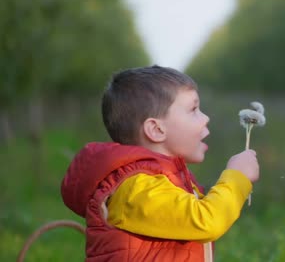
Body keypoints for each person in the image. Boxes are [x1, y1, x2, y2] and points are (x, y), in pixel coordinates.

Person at [61, 65, 259, 261]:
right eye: (193, 109)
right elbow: (206, 220)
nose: (206, 118)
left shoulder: (170, 179)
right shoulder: (136, 190)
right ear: (156, 130)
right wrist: (236, 176)